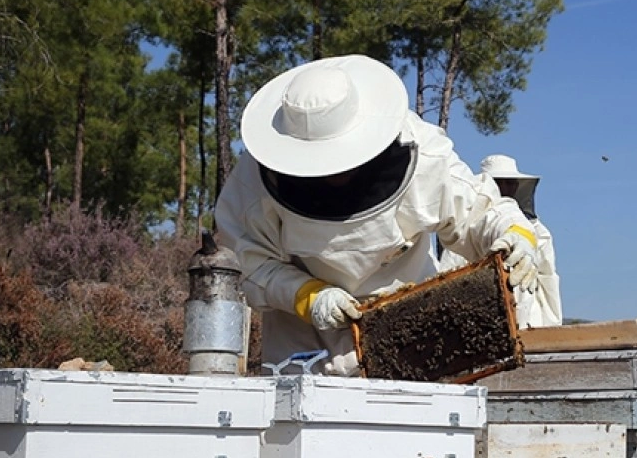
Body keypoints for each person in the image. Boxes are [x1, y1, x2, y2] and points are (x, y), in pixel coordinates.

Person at [215, 55, 540, 374]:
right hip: (303, 341)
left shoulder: (424, 155)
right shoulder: (254, 182)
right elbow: (247, 262)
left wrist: (516, 234)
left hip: (414, 331)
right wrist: (306, 295)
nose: (333, 172)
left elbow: (478, 212)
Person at [439, 154, 562, 327]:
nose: (504, 187)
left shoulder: (539, 233)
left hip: (531, 324)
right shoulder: (465, 233)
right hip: (481, 323)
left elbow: (548, 280)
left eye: (509, 182)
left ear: (516, 186)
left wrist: (552, 329)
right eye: (497, 182)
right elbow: (444, 282)